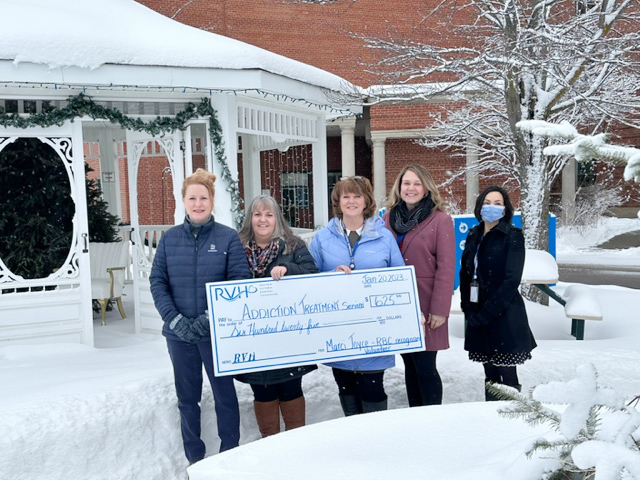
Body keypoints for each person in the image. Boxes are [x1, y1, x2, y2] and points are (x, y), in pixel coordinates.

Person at [149, 169, 251, 464]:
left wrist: (210, 319)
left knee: (224, 396)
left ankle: (229, 455)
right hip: (179, 336)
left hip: (216, 333)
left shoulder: (227, 238)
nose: (197, 203)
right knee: (187, 398)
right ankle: (195, 457)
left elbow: (238, 281)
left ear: (211, 201)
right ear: (183, 201)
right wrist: (175, 320)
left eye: (203, 198)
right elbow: (158, 282)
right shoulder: (169, 240)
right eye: (192, 198)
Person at [309, 176, 404, 416]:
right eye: (346, 196)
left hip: (375, 330)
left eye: (357, 196)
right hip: (338, 330)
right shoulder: (322, 238)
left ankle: (375, 443)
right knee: (346, 388)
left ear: (366, 201)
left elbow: (399, 280)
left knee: (373, 389)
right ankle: (353, 441)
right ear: (338, 202)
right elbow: (309, 280)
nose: (351, 201)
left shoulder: (385, 238)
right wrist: (332, 275)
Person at [235, 194, 318, 437]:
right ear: (250, 219)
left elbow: (314, 276)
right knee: (262, 391)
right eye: (257, 214)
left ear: (277, 219)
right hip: (252, 338)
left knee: (290, 388)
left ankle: (296, 446)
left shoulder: (293, 246)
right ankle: (270, 447)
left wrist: (289, 269)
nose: (263, 220)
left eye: (269, 214)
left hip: (289, 337)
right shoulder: (237, 248)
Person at [384, 164, 456, 407]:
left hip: (427, 303)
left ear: (426, 188)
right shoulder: (388, 218)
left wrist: (439, 309)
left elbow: (446, 268)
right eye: (406, 183)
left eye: (416, 183)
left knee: (425, 365)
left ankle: (432, 418)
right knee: (410, 363)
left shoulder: (440, 220)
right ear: (399, 187)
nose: (411, 188)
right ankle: (415, 416)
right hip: (397, 304)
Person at [459, 186, 537, 400]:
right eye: (487, 202)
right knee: (490, 375)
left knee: (507, 374)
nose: (491, 207)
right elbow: (465, 272)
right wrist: (467, 305)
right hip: (478, 314)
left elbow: (511, 280)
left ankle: (511, 418)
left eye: (497, 203)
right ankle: (490, 417)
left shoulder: (512, 236)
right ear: (479, 206)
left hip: (504, 314)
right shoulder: (474, 234)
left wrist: (488, 312)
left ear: (505, 209)